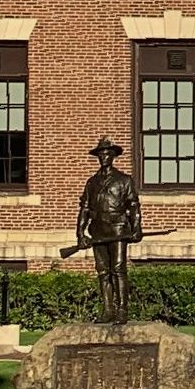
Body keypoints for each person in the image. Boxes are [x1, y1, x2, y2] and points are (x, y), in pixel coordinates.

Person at [77, 138, 143, 324]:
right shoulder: (92, 182)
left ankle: (122, 310)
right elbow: (85, 209)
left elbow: (134, 207)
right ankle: (108, 310)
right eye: (101, 154)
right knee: (103, 272)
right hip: (98, 231)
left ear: (113, 156)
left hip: (118, 229)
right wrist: (80, 233)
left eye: (107, 154)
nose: (104, 157)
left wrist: (136, 228)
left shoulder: (124, 180)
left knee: (118, 269)